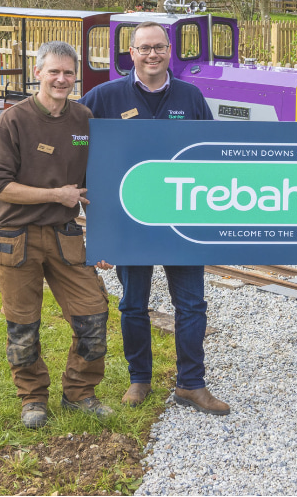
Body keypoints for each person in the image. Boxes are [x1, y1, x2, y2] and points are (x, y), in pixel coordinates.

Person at [79, 21, 229, 416]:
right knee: (133, 304)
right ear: (132, 53)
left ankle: (191, 384)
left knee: (193, 305)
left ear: (169, 51)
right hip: (130, 222)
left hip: (182, 221)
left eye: (159, 47)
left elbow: (211, 156)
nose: (152, 54)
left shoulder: (191, 97)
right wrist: (99, 224)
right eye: (144, 48)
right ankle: (138, 380)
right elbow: (76, 144)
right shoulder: (104, 97)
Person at [0, 41, 113, 428]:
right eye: (53, 71)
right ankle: (32, 399)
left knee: (93, 315)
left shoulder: (83, 120)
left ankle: (79, 393)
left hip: (65, 235)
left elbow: (96, 185)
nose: (61, 79)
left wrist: (106, 239)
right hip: (16, 237)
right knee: (23, 325)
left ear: (76, 77)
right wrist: (56, 194)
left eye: (68, 73)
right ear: (37, 73)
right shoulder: (14, 120)